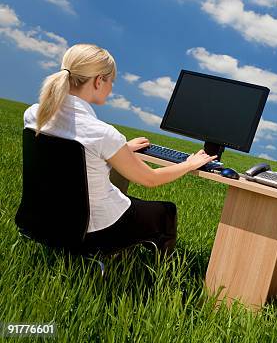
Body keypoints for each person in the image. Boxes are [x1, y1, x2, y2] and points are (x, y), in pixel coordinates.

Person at [23, 43, 216, 254]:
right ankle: (160, 277)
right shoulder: (102, 133)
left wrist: (121, 149)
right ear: (99, 81)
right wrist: (189, 164)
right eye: (111, 81)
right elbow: (150, 179)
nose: (112, 88)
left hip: (45, 220)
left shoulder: (34, 115)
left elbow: (74, 150)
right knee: (166, 211)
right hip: (94, 232)